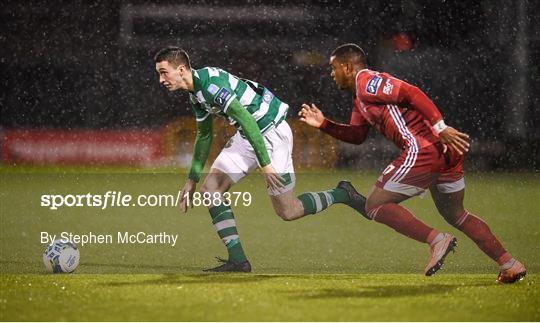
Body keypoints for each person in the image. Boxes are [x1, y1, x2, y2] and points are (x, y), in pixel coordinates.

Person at [298, 43, 526, 283]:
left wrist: (440, 126)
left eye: (333, 68)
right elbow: (357, 135)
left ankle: (437, 240)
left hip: (424, 149)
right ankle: (510, 264)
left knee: (374, 205)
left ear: (347, 66)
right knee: (457, 215)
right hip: (443, 152)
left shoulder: (367, 82)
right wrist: (324, 124)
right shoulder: (359, 98)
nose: (331, 74)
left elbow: (411, 92)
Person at [154, 47, 366, 272]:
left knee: (288, 211)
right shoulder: (196, 92)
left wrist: (265, 164)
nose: (161, 79)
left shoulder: (210, 86)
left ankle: (343, 194)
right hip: (249, 134)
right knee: (211, 189)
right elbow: (205, 134)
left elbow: (246, 117)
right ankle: (238, 261)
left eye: (163, 72)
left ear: (180, 69)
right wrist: (191, 180)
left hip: (272, 133)